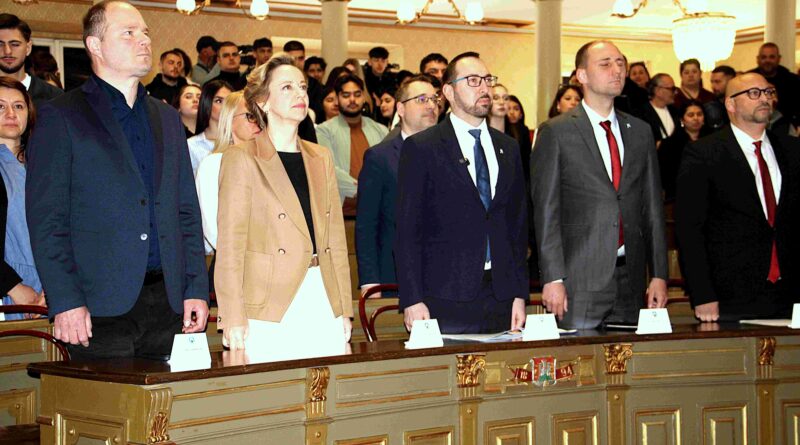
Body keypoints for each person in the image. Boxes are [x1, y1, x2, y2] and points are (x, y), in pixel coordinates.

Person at [26, 0, 208, 359]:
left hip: (169, 304)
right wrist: (65, 299)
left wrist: (195, 288)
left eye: (145, 32)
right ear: (95, 45)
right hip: (97, 308)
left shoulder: (167, 118)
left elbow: (186, 210)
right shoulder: (61, 115)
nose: (144, 40)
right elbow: (48, 219)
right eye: (129, 33)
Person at [215, 55, 352, 361]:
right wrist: (232, 315)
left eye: (302, 86)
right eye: (287, 87)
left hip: (322, 294)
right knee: (275, 389)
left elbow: (336, 240)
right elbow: (230, 246)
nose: (300, 94)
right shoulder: (242, 157)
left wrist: (344, 307)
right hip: (270, 301)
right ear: (262, 102)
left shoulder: (321, 156)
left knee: (326, 387)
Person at [531, 40, 668, 329]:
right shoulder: (556, 131)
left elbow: (653, 207)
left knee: (629, 356)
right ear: (581, 75)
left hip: (632, 276)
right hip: (578, 278)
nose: (617, 70)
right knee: (580, 355)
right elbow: (546, 211)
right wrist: (552, 277)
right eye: (605, 64)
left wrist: (658, 274)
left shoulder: (640, 131)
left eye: (620, 63)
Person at [395, 52, 528, 334]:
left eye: (488, 80)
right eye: (473, 81)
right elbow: (408, 230)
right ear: (448, 92)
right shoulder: (423, 147)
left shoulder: (509, 147)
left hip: (501, 296)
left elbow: (517, 227)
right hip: (444, 295)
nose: (484, 88)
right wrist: (412, 299)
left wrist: (519, 294)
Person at [677, 73, 800, 322]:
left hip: (791, 293)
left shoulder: (792, 149)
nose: (764, 98)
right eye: (754, 93)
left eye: (768, 92)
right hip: (731, 295)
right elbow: (690, 230)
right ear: (730, 104)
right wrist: (702, 293)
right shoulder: (704, 153)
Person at [356, 74, 440, 299]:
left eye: (434, 99)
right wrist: (369, 280)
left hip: (443, 278)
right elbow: (366, 225)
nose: (431, 105)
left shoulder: (450, 154)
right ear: (400, 108)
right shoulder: (379, 157)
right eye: (421, 99)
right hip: (394, 276)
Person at [0, 78, 45, 320]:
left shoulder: (47, 162)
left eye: (18, 106)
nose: (11, 114)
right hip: (9, 291)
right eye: (1, 106)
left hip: (52, 286)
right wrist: (14, 288)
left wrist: (57, 286)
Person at [195, 90, 261, 254]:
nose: (259, 123)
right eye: (251, 116)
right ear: (230, 121)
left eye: (263, 116)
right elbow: (213, 230)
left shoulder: (272, 165)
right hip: (233, 260)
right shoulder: (214, 164)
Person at [315, 74, 388, 215]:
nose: (352, 99)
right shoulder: (324, 131)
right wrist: (366, 190)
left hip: (378, 212)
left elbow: (388, 168)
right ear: (337, 98)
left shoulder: (381, 130)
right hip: (343, 213)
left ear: (364, 97)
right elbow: (328, 168)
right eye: (346, 95)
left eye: (357, 94)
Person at [0, 14, 62, 109]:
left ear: (28, 48)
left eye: (15, 44)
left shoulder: (53, 96)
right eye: (0, 45)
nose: (7, 51)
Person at [657, 101, 709, 202]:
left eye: (699, 114)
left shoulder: (713, 141)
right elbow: (664, 176)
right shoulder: (669, 145)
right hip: (679, 195)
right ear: (682, 120)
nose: (696, 118)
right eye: (690, 115)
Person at [188, 80, 232, 175]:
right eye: (219, 101)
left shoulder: (240, 141)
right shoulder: (191, 146)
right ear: (206, 103)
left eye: (229, 101)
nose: (225, 106)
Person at [749, 42, 800, 122]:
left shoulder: (794, 81)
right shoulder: (748, 80)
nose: (767, 60)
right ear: (758, 59)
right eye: (763, 57)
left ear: (779, 59)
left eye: (772, 57)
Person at [635, 73, 680, 146]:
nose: (675, 92)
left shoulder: (675, 111)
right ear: (658, 90)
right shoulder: (641, 114)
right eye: (671, 89)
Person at [705, 65, 736, 130]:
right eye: (712, 82)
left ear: (731, 81)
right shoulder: (709, 105)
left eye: (717, 82)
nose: (713, 86)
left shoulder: (741, 103)